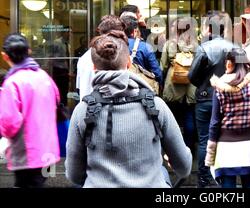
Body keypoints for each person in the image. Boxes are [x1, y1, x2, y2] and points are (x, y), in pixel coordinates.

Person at [65, 30, 192, 187]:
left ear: (93, 67)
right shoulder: (156, 106)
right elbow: (184, 167)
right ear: (129, 64)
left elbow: (74, 174)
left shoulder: (82, 111)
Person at [0, 33, 60, 188]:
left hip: (28, 155)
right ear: (29, 51)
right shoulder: (44, 76)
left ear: (5, 56)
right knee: (40, 182)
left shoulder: (11, 83)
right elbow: (57, 101)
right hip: (49, 152)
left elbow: (8, 122)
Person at [188, 10, 235, 188]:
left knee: (204, 139)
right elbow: (241, 73)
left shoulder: (203, 48)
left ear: (209, 29)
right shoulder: (234, 47)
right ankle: (223, 177)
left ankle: (203, 178)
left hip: (205, 98)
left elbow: (192, 76)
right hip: (228, 97)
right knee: (224, 138)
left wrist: (203, 84)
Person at [205, 48, 250, 188]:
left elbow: (215, 122)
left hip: (226, 147)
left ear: (230, 63)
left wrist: (210, 152)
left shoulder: (220, 86)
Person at [161, 17, 198, 153]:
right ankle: (189, 149)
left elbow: (163, 66)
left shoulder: (170, 43)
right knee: (189, 117)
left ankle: (173, 151)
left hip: (173, 84)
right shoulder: (196, 44)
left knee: (172, 120)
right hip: (191, 85)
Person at [76, 15, 125, 102]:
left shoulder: (84, 58)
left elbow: (79, 88)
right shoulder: (116, 56)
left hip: (87, 108)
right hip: (107, 110)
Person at [120, 14, 163, 86]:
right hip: (141, 87)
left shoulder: (112, 45)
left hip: (118, 86)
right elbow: (157, 72)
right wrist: (160, 84)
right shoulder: (145, 47)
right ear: (134, 31)